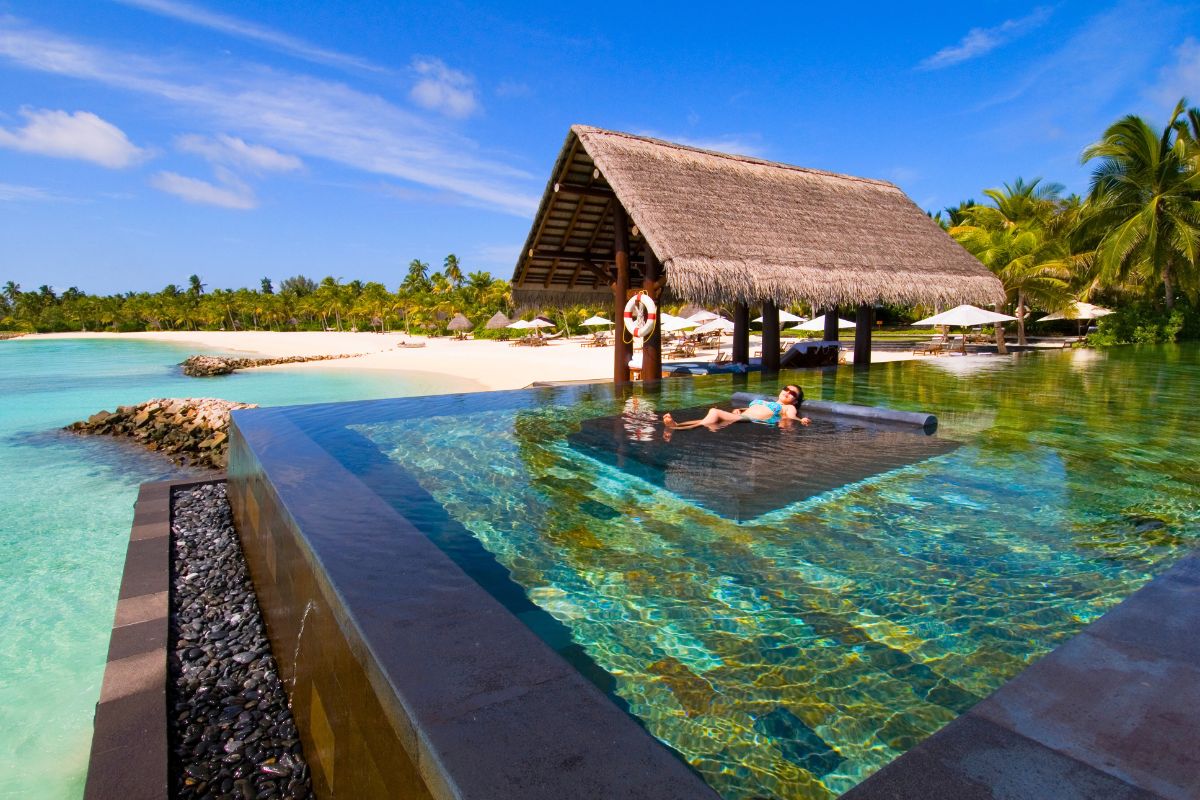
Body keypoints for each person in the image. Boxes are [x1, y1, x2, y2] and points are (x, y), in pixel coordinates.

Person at [662, 385, 811, 431]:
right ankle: (678, 425)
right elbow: (753, 407)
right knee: (706, 418)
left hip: (750, 420)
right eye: (786, 389)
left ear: (795, 401)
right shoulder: (766, 401)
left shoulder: (787, 407)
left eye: (792, 394)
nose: (787, 393)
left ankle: (676, 428)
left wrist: (800, 419)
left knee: (714, 412)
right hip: (743, 415)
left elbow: (792, 416)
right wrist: (740, 409)